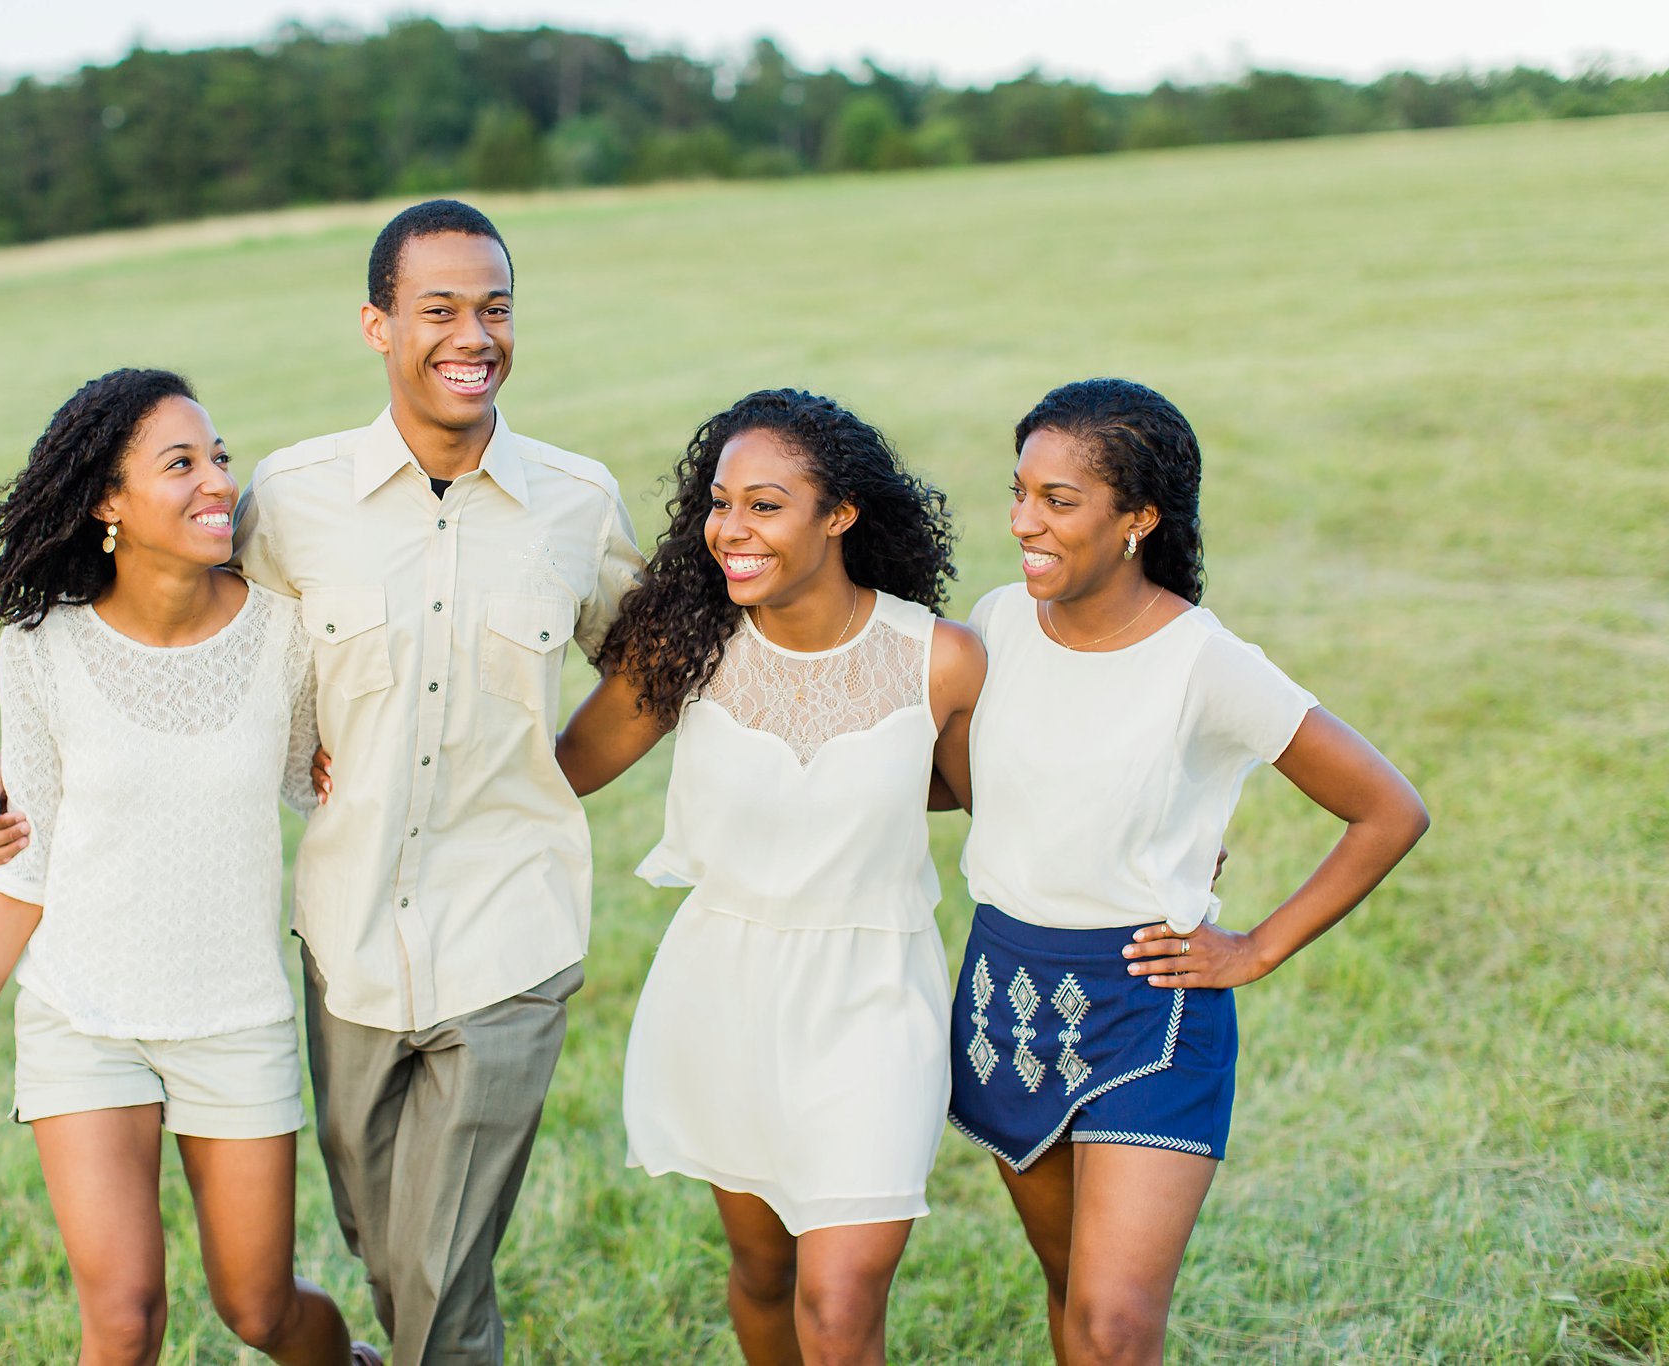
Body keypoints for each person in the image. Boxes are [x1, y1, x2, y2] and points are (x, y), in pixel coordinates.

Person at [0, 201, 644, 1365]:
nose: (471, 334)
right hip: (347, 945)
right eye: (438, 309)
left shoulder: (575, 500)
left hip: (507, 934)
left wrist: (550, 775)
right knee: (381, 1252)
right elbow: (180, 635)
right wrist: (27, 760)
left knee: (440, 1283)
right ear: (377, 325)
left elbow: (648, 663)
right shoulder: (290, 496)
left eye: (494, 308)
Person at [0, 369, 374, 1365]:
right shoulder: (40, 649)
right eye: (181, 463)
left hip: (233, 1020)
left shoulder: (281, 630)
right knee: (123, 1319)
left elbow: (313, 779)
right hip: (81, 1018)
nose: (216, 483)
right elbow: (28, 862)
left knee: (260, 1308)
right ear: (108, 501)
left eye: (219, 459)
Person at [946, 377, 1430, 1364]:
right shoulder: (995, 621)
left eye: (1056, 500)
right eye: (1019, 491)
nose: (1021, 521)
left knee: (1115, 1323)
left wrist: (1253, 947)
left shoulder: (1203, 661)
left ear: (1137, 518)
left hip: (1146, 1005)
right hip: (1004, 995)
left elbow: (1387, 810)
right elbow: (968, 783)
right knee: (1070, 1292)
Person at [554, 389, 986, 1365]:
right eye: (718, 502)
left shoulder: (941, 660)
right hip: (723, 995)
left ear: (838, 515)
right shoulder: (685, 649)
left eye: (764, 504)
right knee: (762, 1273)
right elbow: (555, 773)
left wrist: (1156, 845)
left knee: (837, 1305)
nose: (729, 531)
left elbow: (988, 797)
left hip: (874, 999)